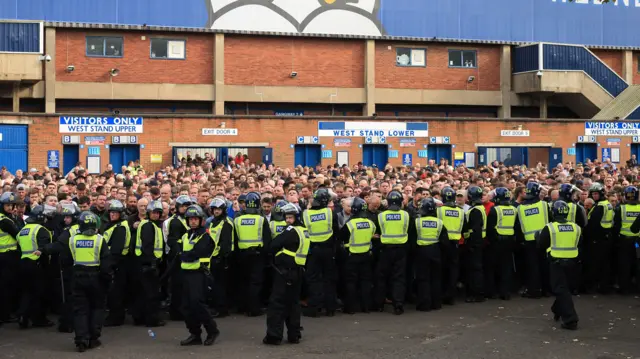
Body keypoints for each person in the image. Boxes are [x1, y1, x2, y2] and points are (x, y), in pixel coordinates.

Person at [264, 202, 309, 345]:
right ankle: (294, 335)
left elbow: (274, 244)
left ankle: (274, 336)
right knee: (293, 304)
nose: (287, 220)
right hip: (298, 271)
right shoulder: (304, 230)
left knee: (277, 304)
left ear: (296, 217)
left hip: (285, 272)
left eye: (290, 217)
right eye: (286, 217)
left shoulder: (291, 230)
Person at [69, 211, 111, 352]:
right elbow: (106, 264)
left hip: (78, 276)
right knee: (97, 308)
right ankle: (93, 338)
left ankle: (81, 339)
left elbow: (69, 259)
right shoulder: (100, 239)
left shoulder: (73, 239)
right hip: (95, 277)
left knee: (80, 309)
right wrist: (107, 280)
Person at [179, 205, 220, 346]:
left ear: (201, 220)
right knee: (186, 307)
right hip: (186, 274)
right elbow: (180, 253)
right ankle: (195, 334)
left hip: (199, 274)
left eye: (196, 219)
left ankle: (212, 330)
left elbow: (197, 253)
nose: (193, 221)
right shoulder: (186, 235)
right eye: (190, 219)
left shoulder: (206, 235)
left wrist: (183, 255)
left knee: (198, 305)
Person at [537, 201, 580, 330]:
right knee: (564, 289)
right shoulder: (576, 227)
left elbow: (541, 244)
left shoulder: (550, 227)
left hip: (557, 263)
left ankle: (570, 320)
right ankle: (557, 309)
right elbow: (579, 243)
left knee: (561, 289)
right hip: (573, 263)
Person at [16, 204, 56, 328]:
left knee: (26, 292)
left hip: (23, 263)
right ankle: (39, 319)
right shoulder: (41, 229)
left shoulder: (23, 229)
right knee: (39, 293)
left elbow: (18, 247)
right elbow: (44, 248)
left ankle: (23, 316)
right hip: (37, 264)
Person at [302, 188, 340, 317]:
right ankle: (330, 308)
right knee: (329, 279)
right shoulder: (330, 213)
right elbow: (336, 232)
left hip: (313, 250)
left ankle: (314, 307)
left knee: (313, 280)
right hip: (328, 250)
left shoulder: (306, 214)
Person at [234, 192, 271, 316]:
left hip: (242, 255)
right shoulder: (261, 219)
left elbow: (234, 239)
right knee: (256, 282)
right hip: (257, 255)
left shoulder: (237, 220)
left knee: (243, 282)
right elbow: (267, 240)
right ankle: (254, 309)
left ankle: (243, 307)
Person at [376, 190, 413, 314]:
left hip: (385, 249)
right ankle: (398, 304)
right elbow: (409, 230)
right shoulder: (406, 215)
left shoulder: (381, 215)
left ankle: (380, 304)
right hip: (401, 249)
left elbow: (378, 231)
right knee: (399, 277)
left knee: (382, 277)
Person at [338, 197, 375, 314]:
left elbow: (341, 237)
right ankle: (366, 307)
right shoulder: (370, 223)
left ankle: (351, 308)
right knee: (365, 282)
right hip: (366, 255)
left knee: (351, 283)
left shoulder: (350, 224)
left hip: (352, 256)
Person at [515, 181, 551, 298]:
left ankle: (534, 290)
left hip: (528, 241)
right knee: (545, 265)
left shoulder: (520, 208)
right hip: (545, 240)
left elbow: (518, 226)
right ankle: (546, 290)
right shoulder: (545, 205)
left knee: (532, 267)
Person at [412, 197, 449, 311]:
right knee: (436, 278)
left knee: (423, 279)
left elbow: (412, 239)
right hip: (435, 250)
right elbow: (445, 241)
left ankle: (424, 304)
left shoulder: (417, 222)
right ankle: (436, 303)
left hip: (422, 251)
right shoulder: (439, 222)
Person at [134, 200, 165, 327]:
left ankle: (140, 318)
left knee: (143, 293)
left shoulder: (150, 224)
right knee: (151, 294)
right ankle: (152, 320)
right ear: (148, 213)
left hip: (144, 263)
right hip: (147, 264)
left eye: (158, 213)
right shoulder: (148, 226)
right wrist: (152, 262)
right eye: (154, 212)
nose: (156, 215)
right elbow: (147, 245)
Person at [103, 200, 132, 327]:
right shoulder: (114, 225)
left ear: (121, 214)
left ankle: (116, 318)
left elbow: (116, 249)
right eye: (111, 212)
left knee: (116, 293)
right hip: (115, 263)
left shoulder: (120, 228)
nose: (112, 215)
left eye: (115, 213)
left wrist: (110, 266)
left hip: (118, 264)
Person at [485, 187, 517, 300]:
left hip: (497, 242)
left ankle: (492, 292)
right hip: (509, 241)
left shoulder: (495, 210)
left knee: (492, 267)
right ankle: (505, 292)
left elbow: (490, 228)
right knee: (506, 267)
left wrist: (491, 241)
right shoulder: (514, 209)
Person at [437, 187, 466, 305]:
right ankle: (451, 296)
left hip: (442, 243)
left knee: (442, 270)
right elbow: (464, 227)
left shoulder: (439, 210)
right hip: (455, 244)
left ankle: (441, 294)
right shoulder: (460, 211)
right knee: (453, 270)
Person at [166, 195, 193, 321]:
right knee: (177, 286)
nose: (185, 208)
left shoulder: (188, 220)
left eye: (187, 206)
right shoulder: (175, 221)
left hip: (187, 256)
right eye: (183, 206)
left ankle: (183, 309)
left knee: (185, 286)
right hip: (178, 257)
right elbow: (172, 240)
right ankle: (176, 312)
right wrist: (179, 253)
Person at [585, 183, 613, 294]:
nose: (594, 196)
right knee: (605, 264)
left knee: (598, 264)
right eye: (593, 194)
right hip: (607, 237)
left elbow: (593, 224)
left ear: (601, 194)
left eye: (596, 194)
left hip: (599, 239)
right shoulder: (607, 204)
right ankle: (604, 286)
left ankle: (599, 287)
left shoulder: (600, 206)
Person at [208, 198, 234, 317]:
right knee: (215, 285)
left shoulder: (226, 223)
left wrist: (223, 257)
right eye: (214, 209)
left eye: (218, 209)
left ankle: (222, 309)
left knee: (221, 285)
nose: (216, 211)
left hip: (222, 258)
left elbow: (226, 242)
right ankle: (217, 307)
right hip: (213, 257)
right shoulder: (213, 222)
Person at [613, 186, 639, 295]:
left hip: (625, 241)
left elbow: (616, 226)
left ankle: (624, 288)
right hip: (638, 242)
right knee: (637, 265)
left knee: (624, 265)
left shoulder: (621, 209)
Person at [464, 186, 487, 303]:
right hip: (479, 242)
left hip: (475, 242)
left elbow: (475, 229)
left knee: (475, 269)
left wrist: (471, 243)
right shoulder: (480, 208)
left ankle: (477, 294)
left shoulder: (475, 210)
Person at [0, 192, 20, 325]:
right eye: (7, 205)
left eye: (11, 205)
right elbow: (18, 235)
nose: (10, 208)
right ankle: (5, 315)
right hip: (7, 256)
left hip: (4, 256)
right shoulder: (5, 221)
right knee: (5, 287)